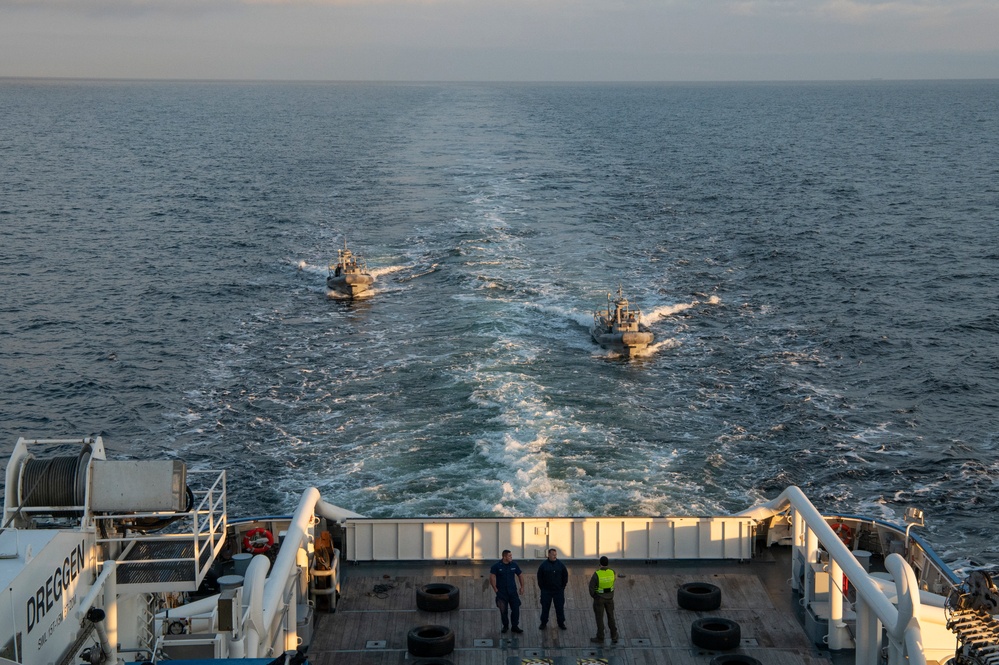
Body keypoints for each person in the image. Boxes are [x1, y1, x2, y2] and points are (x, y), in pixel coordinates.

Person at [490, 549, 524, 633]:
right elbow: (492, 577)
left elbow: (520, 575)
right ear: (504, 557)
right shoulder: (497, 566)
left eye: (511, 556)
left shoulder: (514, 565)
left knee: (516, 609)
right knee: (503, 611)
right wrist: (495, 590)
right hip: (502, 593)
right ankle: (505, 626)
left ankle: (515, 626)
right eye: (509, 556)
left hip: (513, 592)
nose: (511, 557)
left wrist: (522, 587)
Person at [588, 555, 618, 644]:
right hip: (610, 598)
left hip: (599, 599)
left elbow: (591, 588)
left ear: (600, 564)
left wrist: (595, 596)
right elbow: (613, 581)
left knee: (599, 618)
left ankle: (600, 637)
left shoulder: (597, 574)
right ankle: (614, 635)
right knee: (611, 617)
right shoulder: (612, 572)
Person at [537, 548, 569, 630]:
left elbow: (565, 576)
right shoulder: (543, 566)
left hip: (558, 591)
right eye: (553, 554)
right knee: (545, 608)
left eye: (555, 554)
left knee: (559, 608)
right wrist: (543, 588)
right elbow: (539, 578)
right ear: (548, 555)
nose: (554, 556)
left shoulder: (560, 565)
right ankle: (543, 623)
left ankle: (561, 623)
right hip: (546, 591)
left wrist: (562, 587)